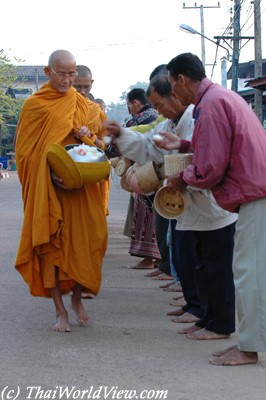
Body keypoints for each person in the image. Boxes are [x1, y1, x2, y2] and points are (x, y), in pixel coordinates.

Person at [155, 52, 266, 365]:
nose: (175, 96)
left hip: (255, 193)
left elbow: (211, 168)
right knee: (246, 271)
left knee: (249, 274)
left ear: (182, 79)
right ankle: (246, 342)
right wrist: (182, 146)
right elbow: (213, 147)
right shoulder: (218, 98)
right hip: (252, 191)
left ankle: (248, 347)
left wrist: (181, 179)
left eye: (174, 89)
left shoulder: (212, 104)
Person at [104, 74, 238, 334]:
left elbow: (205, 159)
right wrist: (121, 133)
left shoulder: (201, 114)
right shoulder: (170, 122)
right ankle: (204, 316)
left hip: (212, 206)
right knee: (195, 262)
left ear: (175, 94)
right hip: (188, 205)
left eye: (159, 104)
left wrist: (182, 178)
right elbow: (146, 146)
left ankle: (218, 323)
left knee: (215, 268)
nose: (157, 110)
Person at [15, 50, 108, 332]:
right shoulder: (35, 106)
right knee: (51, 248)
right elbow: (25, 154)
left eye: (72, 74)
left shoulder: (87, 108)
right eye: (62, 74)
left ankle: (78, 299)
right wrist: (50, 173)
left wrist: (87, 136)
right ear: (48, 72)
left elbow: (100, 150)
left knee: (90, 243)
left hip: (80, 191)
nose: (68, 80)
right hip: (50, 190)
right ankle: (60, 311)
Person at [73, 65, 110, 300]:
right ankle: (73, 281)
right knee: (71, 235)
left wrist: (92, 138)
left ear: (92, 84)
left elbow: (106, 146)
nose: (83, 91)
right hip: (67, 176)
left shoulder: (96, 111)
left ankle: (87, 281)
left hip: (91, 179)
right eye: (79, 87)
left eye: (86, 87)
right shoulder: (59, 107)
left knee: (94, 233)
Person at [123, 88, 161, 270]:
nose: (130, 110)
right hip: (160, 173)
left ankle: (148, 259)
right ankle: (160, 260)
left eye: (129, 106)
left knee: (147, 217)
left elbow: (120, 145)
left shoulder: (136, 120)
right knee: (160, 218)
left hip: (147, 173)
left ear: (136, 103)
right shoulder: (159, 117)